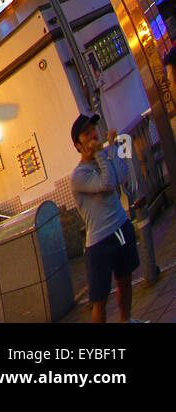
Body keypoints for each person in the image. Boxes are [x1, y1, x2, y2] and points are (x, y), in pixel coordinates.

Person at [71, 114, 143, 323]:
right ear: (77, 144)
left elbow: (120, 176)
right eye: (86, 133)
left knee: (126, 281)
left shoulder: (102, 159)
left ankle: (126, 319)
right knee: (100, 299)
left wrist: (111, 148)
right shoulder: (79, 176)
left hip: (121, 227)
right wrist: (103, 153)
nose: (93, 134)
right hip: (100, 242)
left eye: (93, 128)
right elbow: (108, 183)